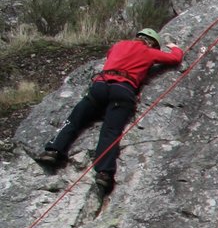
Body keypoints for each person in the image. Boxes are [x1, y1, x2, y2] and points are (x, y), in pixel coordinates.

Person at [35, 28, 184, 194]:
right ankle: (104, 173)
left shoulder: (118, 45)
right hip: (123, 90)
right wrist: (174, 47)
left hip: (100, 86)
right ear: (152, 44)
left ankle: (53, 150)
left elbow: (111, 57)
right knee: (111, 131)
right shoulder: (149, 52)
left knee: (75, 119)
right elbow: (175, 58)